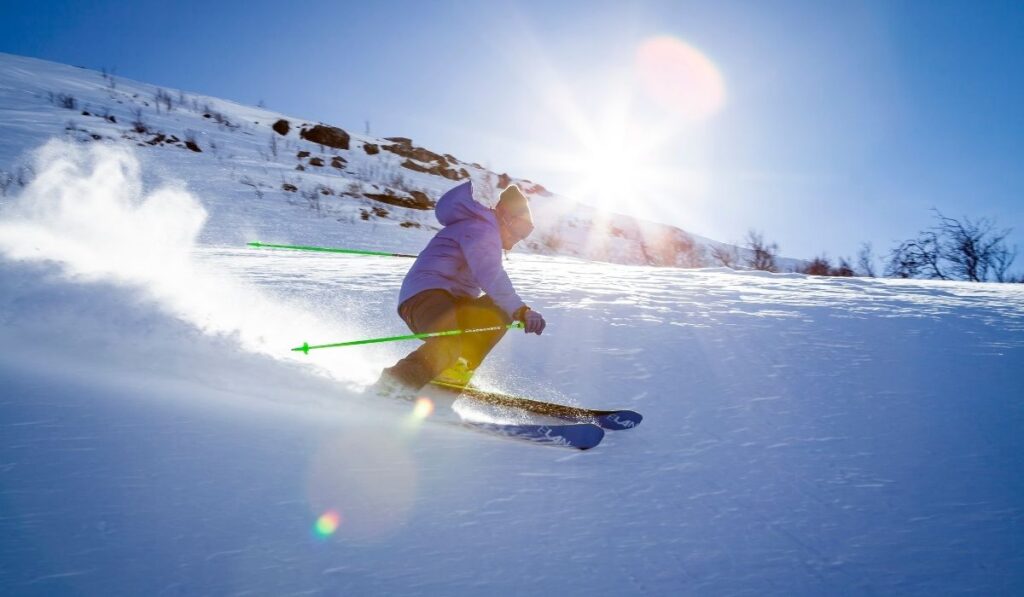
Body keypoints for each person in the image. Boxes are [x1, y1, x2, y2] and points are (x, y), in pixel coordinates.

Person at [375, 180, 546, 397]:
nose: (516, 241)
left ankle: (451, 376)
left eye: (526, 233)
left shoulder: (482, 230)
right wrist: (522, 310)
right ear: (502, 213)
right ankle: (393, 386)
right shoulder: (481, 228)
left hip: (452, 301)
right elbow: (491, 274)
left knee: (497, 308)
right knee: (449, 342)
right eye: (519, 229)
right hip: (424, 297)